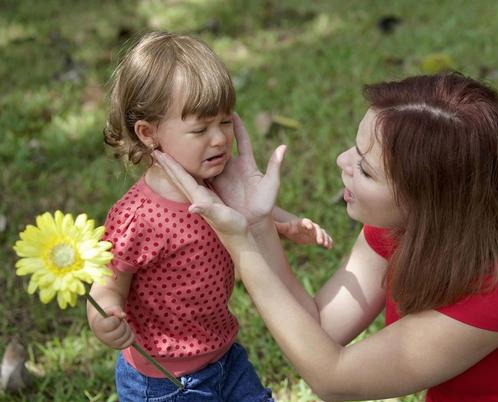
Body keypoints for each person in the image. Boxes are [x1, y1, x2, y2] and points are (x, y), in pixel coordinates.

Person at [154, 72, 498, 401]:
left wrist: (241, 246)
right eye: (355, 147)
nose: (341, 160)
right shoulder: (404, 225)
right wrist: (255, 223)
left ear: (429, 200)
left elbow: (334, 379)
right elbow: (322, 328)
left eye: (366, 169)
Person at [87, 31, 331, 402]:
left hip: (225, 357)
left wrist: (286, 224)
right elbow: (107, 282)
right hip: (165, 381)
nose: (219, 139)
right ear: (149, 133)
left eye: (225, 123)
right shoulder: (137, 217)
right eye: (200, 129)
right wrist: (104, 315)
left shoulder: (214, 179)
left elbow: (245, 212)